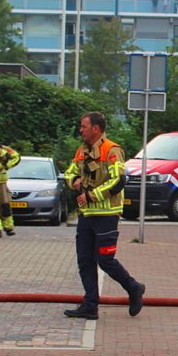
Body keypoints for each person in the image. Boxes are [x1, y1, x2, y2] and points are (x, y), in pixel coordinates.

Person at [63, 111, 145, 320]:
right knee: (85, 261)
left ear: (96, 129)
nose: (80, 130)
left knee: (105, 260)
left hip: (107, 214)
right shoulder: (81, 151)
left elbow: (118, 182)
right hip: (86, 215)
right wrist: (73, 181)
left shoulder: (112, 150)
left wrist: (90, 196)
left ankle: (134, 288)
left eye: (84, 126)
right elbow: (70, 171)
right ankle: (90, 306)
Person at [0, 129, 21, 236]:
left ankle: (8, 227)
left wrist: (6, 166)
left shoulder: (3, 149)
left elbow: (16, 157)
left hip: (0, 181)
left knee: (5, 205)